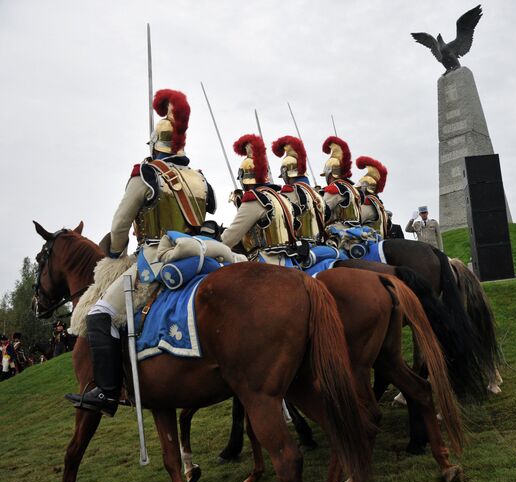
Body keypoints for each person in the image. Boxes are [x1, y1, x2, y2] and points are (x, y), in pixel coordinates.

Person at [65, 89, 217, 416]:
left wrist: (117, 252)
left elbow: (120, 226)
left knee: (99, 313)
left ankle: (106, 393)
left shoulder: (146, 174)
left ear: (154, 143)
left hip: (155, 261)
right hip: (199, 256)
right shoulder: (200, 178)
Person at [221, 134, 298, 266]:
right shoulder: (283, 198)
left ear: (243, 178)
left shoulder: (255, 199)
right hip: (290, 262)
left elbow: (229, 239)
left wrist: (209, 245)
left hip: (263, 263)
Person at [273, 135, 325, 247]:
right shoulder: (317, 193)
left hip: (302, 248)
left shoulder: (290, 192)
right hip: (321, 244)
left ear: (284, 172)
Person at [320, 136, 362, 233]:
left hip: (338, 232)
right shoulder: (353, 189)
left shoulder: (334, 188)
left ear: (329, 173)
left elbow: (321, 212)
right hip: (357, 230)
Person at [355, 156, 389, 238]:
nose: (358, 191)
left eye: (359, 188)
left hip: (368, 242)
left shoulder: (368, 203)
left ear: (365, 187)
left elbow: (355, 220)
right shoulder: (378, 203)